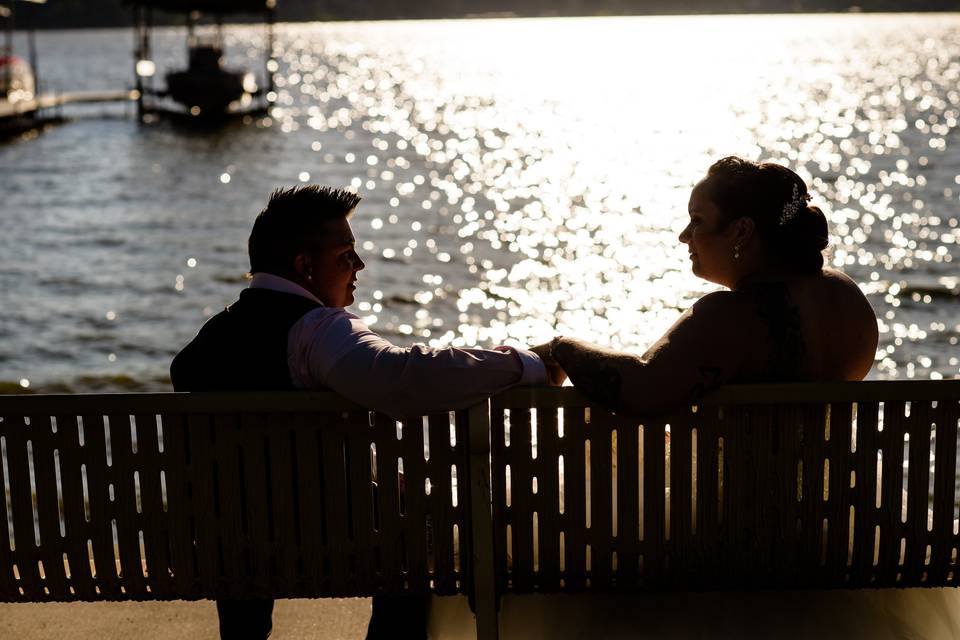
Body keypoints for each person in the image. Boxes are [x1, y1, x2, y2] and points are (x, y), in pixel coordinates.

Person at [170, 185, 559, 640]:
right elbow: (402, 377)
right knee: (420, 527)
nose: (359, 266)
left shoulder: (203, 346)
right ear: (304, 267)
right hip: (325, 540)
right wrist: (526, 364)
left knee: (246, 511)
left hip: (225, 543)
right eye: (346, 255)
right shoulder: (317, 329)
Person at [537, 156, 878, 416]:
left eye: (697, 221)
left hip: (738, 505)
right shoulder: (846, 296)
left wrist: (561, 349)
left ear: (741, 232)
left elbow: (641, 388)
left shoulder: (731, 316)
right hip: (830, 503)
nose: (684, 236)